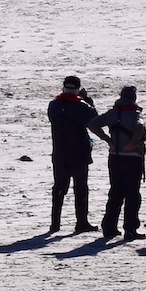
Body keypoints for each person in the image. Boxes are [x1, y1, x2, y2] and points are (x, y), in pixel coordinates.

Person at [93, 85, 146, 240]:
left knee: (116, 192)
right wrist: (133, 143)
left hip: (115, 156)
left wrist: (108, 140)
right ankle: (130, 229)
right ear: (134, 98)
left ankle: (109, 228)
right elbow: (139, 129)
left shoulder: (112, 113)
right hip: (132, 158)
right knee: (132, 194)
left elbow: (93, 124)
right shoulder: (135, 115)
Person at [46, 76, 98, 234]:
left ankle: (55, 223)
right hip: (79, 153)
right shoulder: (81, 106)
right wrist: (86, 100)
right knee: (81, 188)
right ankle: (81, 222)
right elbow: (94, 118)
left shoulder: (53, 105)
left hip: (59, 153)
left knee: (59, 188)